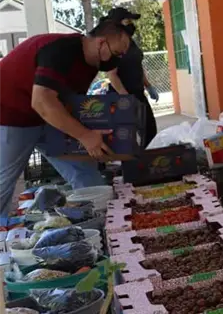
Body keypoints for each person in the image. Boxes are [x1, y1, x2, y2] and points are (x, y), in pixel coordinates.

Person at [0, 17, 131, 214]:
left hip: (50, 116)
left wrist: (97, 136)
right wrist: (85, 136)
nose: (117, 60)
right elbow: (41, 101)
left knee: (86, 173)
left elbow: (72, 105)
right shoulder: (61, 50)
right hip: (11, 114)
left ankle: (101, 221)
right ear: (101, 42)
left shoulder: (90, 64)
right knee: (4, 182)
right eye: (117, 54)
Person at [103, 7, 160, 148]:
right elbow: (112, 75)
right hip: (121, 96)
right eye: (127, 21)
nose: (130, 24)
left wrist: (148, 85)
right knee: (126, 136)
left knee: (149, 130)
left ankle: (145, 162)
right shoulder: (111, 44)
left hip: (138, 93)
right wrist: (126, 99)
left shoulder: (130, 41)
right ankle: (127, 167)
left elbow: (138, 65)